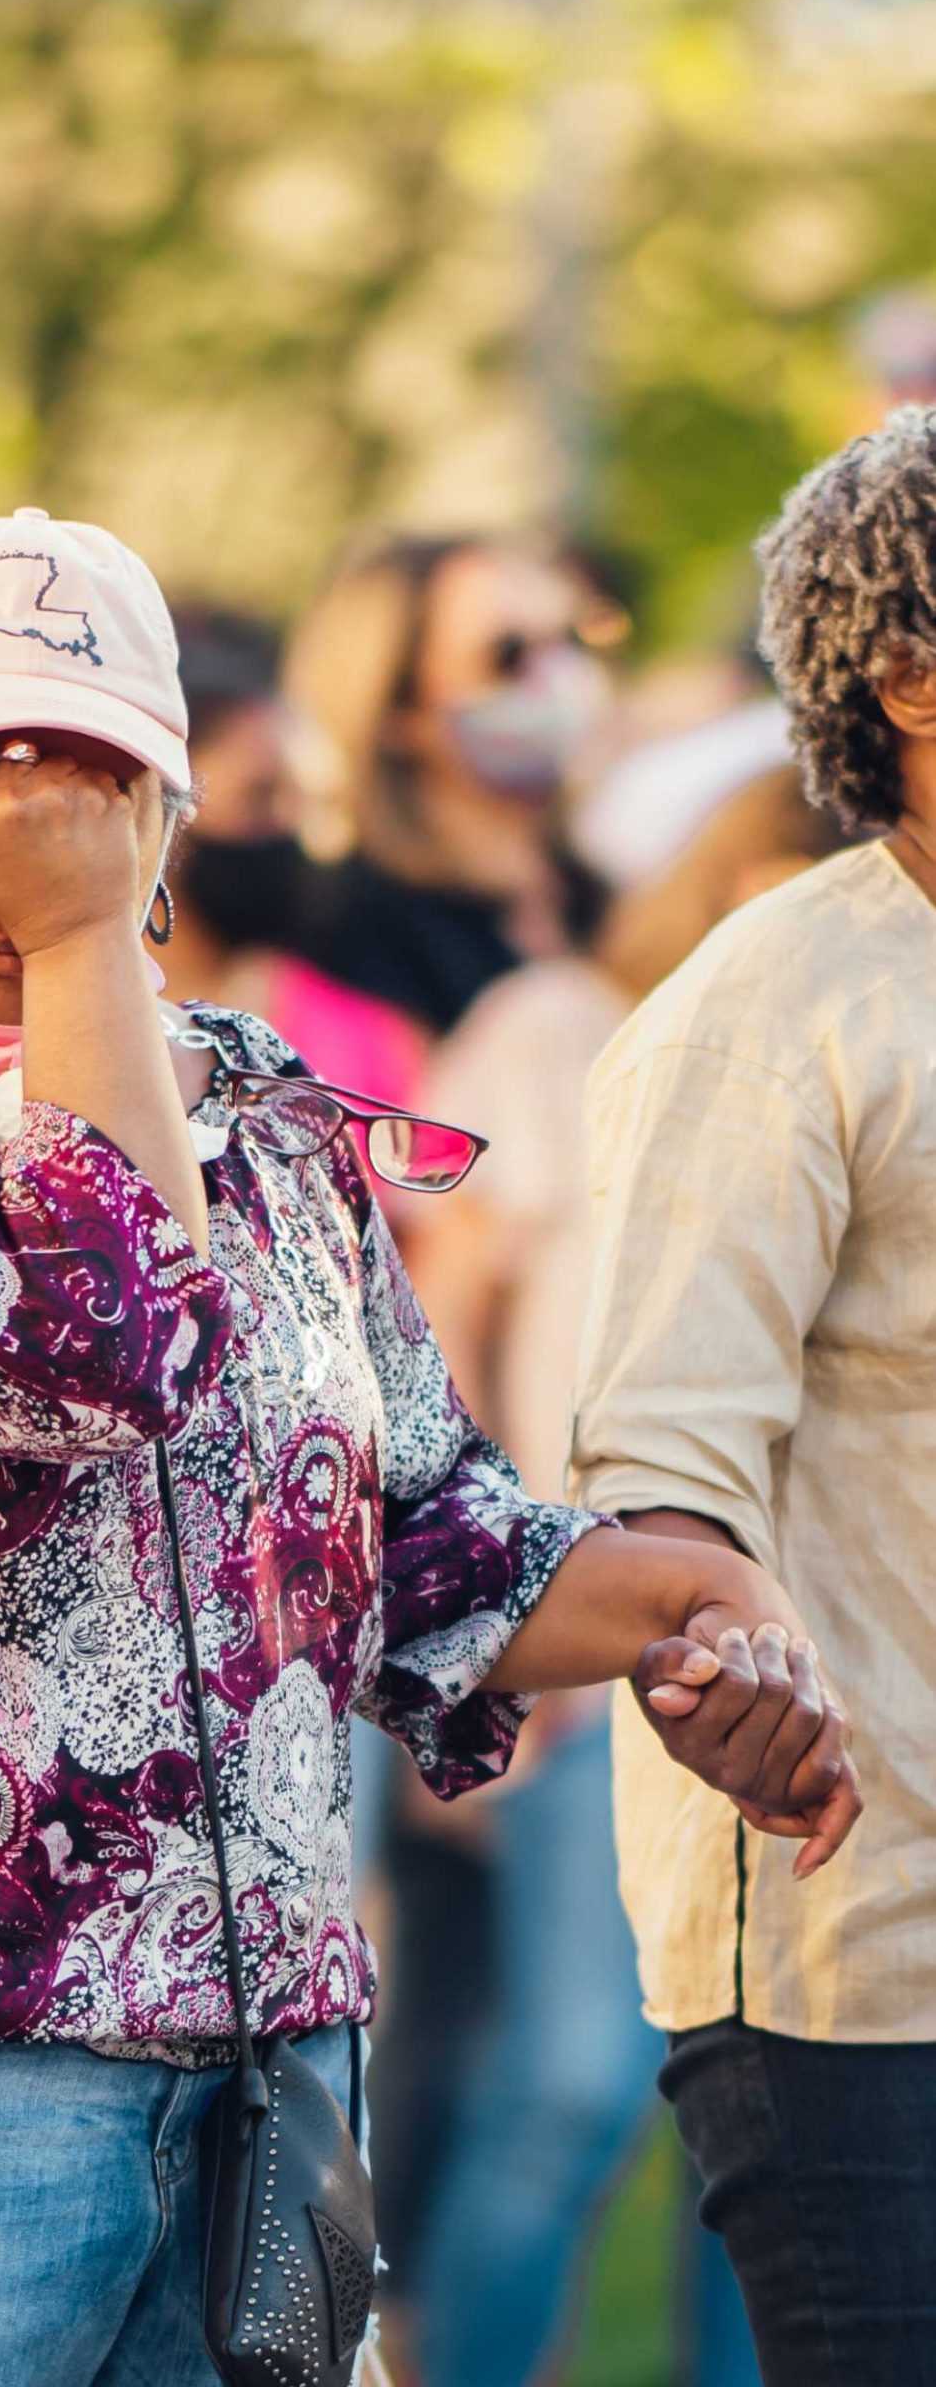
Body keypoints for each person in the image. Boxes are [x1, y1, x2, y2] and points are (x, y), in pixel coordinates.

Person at [0, 506, 856, 2387]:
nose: (2, 885)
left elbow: (420, 1539)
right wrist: (83, 935)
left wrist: (707, 1608)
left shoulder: (254, 1111)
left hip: (239, 2092)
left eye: (80, 822)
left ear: (172, 827)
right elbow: (103, 1335)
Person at [395, 758, 843, 2387]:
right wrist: (472, 1617)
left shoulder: (860, 1052)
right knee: (570, 2086)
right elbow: (433, 1339)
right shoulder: (556, 1027)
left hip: (820, 1652)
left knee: (790, 2102)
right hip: (588, 1642)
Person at [571, 403, 936, 2385]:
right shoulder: (766, 1015)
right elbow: (660, 1473)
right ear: (900, 670)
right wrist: (749, 1688)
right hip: (860, 1950)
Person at [279, 533, 615, 1042]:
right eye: (509, 655)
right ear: (398, 709)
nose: (559, 676)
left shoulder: (600, 893)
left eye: (572, 638)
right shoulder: (352, 931)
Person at [154, 606, 425, 1106]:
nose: (291, 830)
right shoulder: (62, 1019)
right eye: (258, 796)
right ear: (159, 812)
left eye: (301, 801)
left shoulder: (366, 1033)